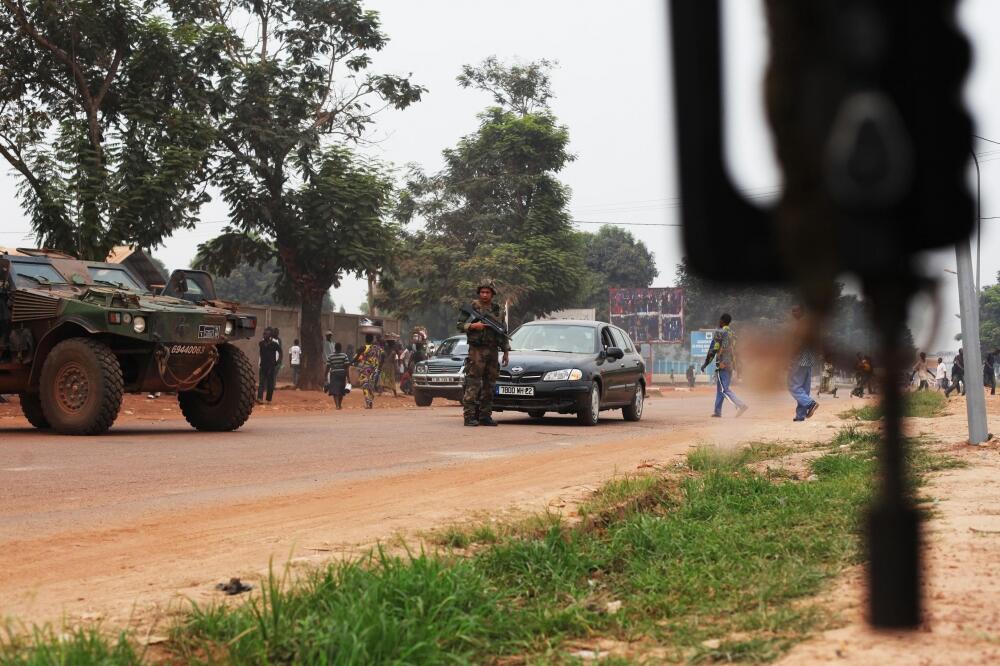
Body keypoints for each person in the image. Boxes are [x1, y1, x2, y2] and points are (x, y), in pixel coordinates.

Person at [458, 281, 510, 426]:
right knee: (473, 382)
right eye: (482, 292)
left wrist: (505, 351)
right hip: (477, 350)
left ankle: (485, 415)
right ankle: (469, 416)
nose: (485, 295)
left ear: (492, 294)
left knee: (490, 384)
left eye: (488, 292)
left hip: (493, 350)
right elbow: (459, 325)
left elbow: (502, 334)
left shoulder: (497, 309)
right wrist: (473, 325)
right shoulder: (472, 307)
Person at [702, 313, 748, 418]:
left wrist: (705, 364)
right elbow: (736, 351)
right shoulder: (733, 333)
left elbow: (712, 350)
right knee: (720, 388)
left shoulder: (720, 332)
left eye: (720, 320)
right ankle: (717, 411)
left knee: (724, 389)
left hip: (722, 364)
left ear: (722, 321)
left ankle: (741, 405)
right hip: (730, 365)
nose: (719, 322)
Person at [787, 305, 818, 422]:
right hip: (809, 360)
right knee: (804, 388)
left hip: (800, 360)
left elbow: (798, 345)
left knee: (792, 386)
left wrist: (791, 358)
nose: (793, 313)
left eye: (795, 310)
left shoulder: (801, 325)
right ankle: (800, 415)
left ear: (802, 311)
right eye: (792, 310)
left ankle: (810, 404)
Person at [356, 334, 384, 409]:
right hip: (375, 369)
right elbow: (383, 354)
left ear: (365, 339)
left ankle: (368, 402)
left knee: (365, 385)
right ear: (372, 340)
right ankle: (371, 400)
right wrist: (380, 365)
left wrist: (353, 362)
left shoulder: (364, 347)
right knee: (371, 385)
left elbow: (357, 357)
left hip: (366, 369)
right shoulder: (378, 348)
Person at [257, 329, 280, 404]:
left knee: (270, 384)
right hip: (263, 366)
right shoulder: (261, 343)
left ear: (270, 336)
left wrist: (277, 362)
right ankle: (259, 398)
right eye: (263, 334)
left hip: (271, 367)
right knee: (261, 383)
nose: (264, 335)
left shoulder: (274, 344)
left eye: (266, 334)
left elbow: (280, 352)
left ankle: (268, 399)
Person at [326, 342, 350, 409]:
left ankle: (336, 405)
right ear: (341, 348)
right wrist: (348, 377)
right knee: (341, 390)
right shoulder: (344, 355)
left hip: (334, 374)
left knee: (334, 390)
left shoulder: (330, 356)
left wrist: (325, 376)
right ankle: (339, 404)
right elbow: (346, 367)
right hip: (342, 374)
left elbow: (327, 366)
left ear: (335, 348)